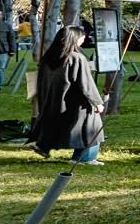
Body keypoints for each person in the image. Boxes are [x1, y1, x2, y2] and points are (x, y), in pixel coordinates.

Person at [33, 24, 105, 164]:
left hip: (54, 98)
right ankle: (84, 158)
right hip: (76, 100)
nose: (83, 40)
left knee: (54, 123)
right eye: (81, 37)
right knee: (91, 126)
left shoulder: (48, 57)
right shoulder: (76, 58)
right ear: (73, 38)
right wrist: (97, 102)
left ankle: (43, 145)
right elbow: (86, 83)